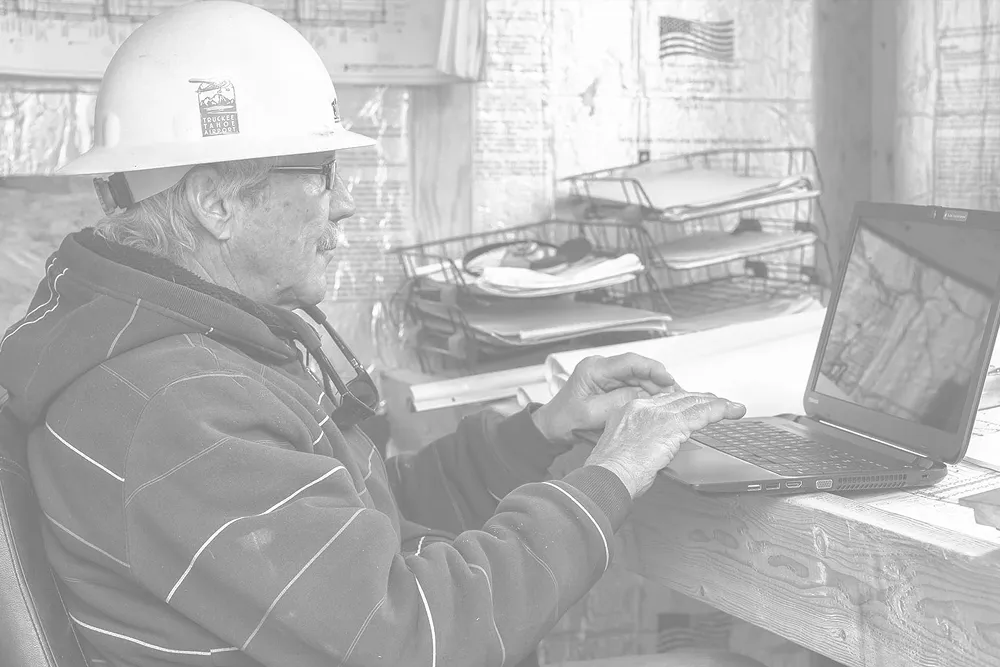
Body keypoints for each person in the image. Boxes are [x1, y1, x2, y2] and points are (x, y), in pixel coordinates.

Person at [0, 3, 756, 666]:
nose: (347, 206)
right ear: (215, 202)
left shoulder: (182, 357)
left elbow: (360, 522)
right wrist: (611, 475)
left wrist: (540, 433)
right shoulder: (172, 406)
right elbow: (414, 634)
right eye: (323, 171)